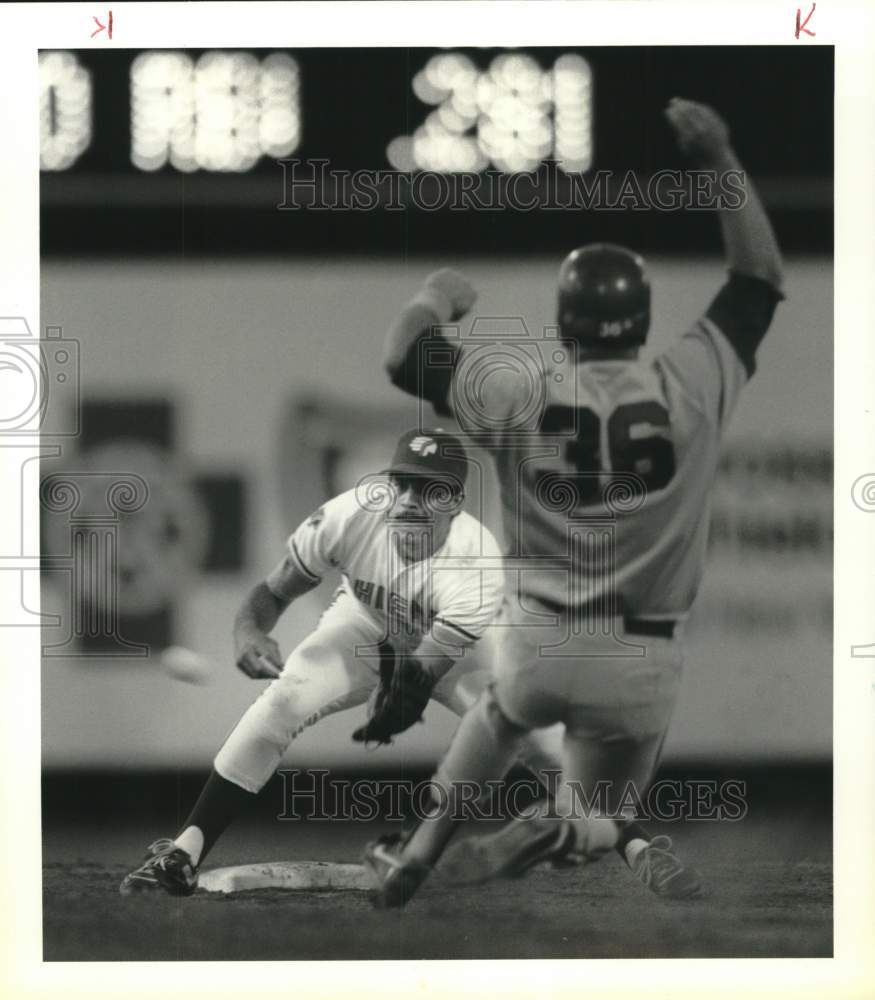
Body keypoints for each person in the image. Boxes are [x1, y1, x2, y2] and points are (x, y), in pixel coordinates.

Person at [363, 97, 784, 907]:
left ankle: (414, 853)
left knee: (495, 715)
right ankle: (561, 829)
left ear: (565, 326)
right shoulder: (691, 382)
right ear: (642, 320)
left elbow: (400, 356)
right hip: (642, 655)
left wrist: (432, 297)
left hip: (538, 644)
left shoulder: (518, 389)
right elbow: (758, 279)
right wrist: (719, 154)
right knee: (604, 816)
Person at [119, 427, 565, 895]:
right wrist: (249, 631)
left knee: (540, 741)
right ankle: (186, 851)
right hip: (365, 622)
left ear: (455, 501)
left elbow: (415, 680)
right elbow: (271, 593)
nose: (411, 500)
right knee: (282, 702)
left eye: (430, 490)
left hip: (454, 650)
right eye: (404, 484)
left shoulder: (476, 562)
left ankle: (633, 846)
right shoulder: (347, 516)